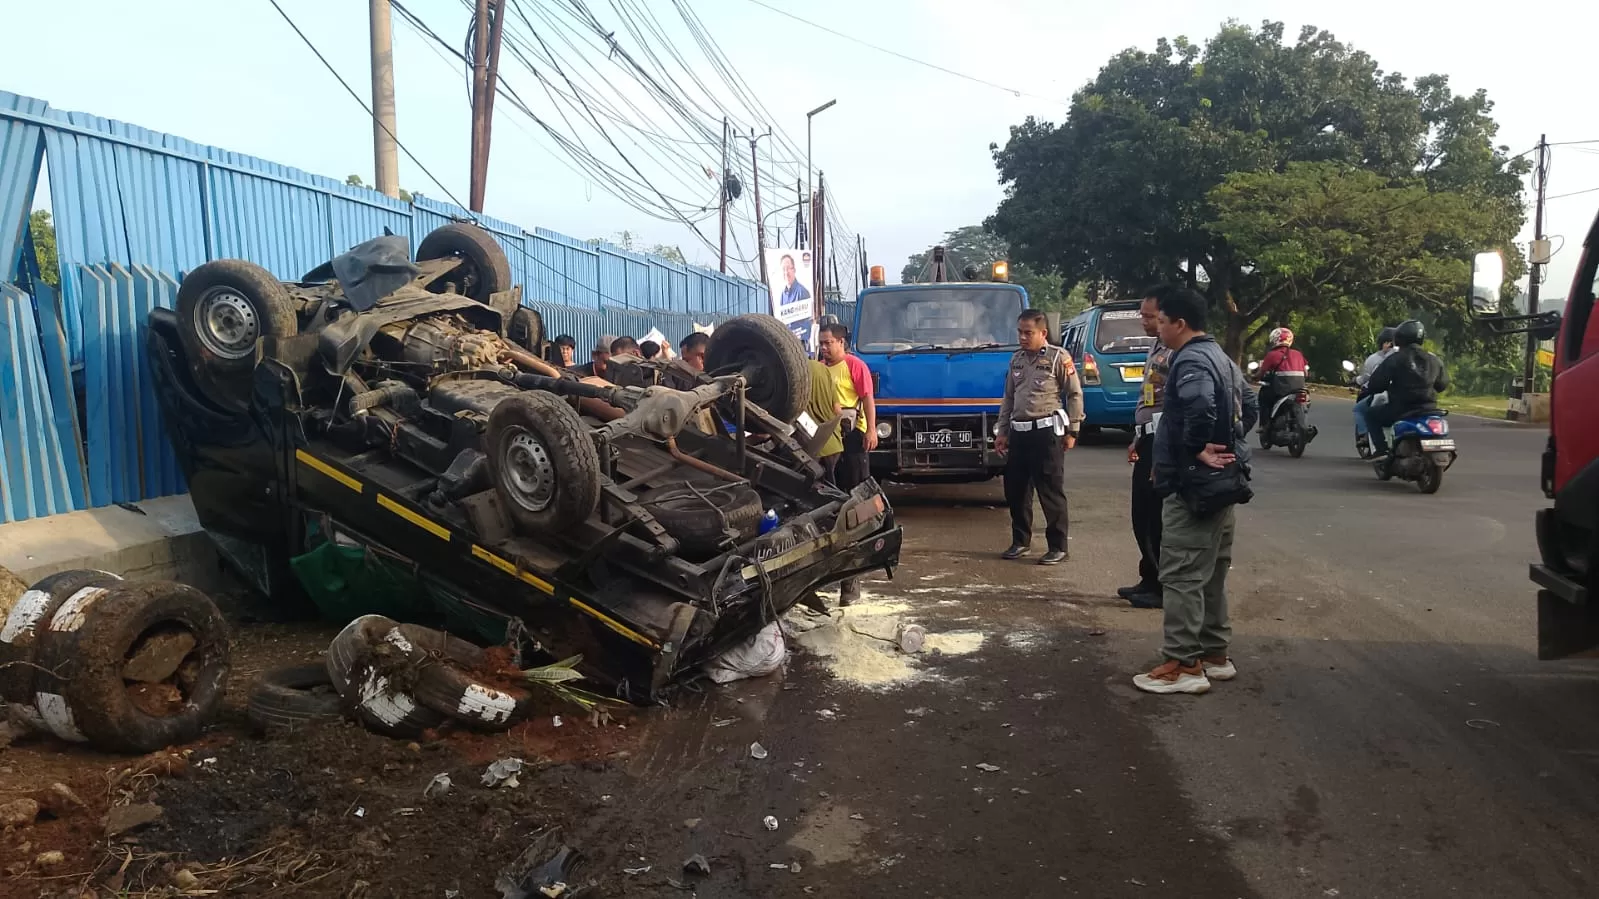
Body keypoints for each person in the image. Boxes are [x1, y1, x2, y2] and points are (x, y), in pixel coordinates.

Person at [1134, 285, 1258, 696]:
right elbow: (1251, 404)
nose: (1159, 329)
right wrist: (1227, 446)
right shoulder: (1221, 356)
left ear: (1179, 324)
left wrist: (1196, 450)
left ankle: (1183, 664)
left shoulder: (1188, 361)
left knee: (1182, 573)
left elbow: (1202, 405)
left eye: (1162, 322)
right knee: (1211, 573)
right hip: (1224, 484)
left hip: (1195, 488)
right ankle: (1214, 654)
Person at [995, 309, 1085, 566]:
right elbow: (1009, 398)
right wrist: (1002, 431)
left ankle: (1058, 546)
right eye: (1020, 332)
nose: (1023, 337)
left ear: (1043, 333)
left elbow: (1075, 394)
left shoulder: (1059, 358)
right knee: (1016, 491)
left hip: (1046, 433)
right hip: (1019, 434)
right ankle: (1020, 541)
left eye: (1028, 333)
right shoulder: (1016, 360)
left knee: (1050, 491)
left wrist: (1073, 430)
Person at [1120, 293, 1175, 609]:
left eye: (1149, 316)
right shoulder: (1156, 346)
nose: (1143, 321)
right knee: (1141, 515)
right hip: (1148, 438)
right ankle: (1149, 577)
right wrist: (1137, 437)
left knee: (1156, 517)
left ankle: (1160, 587)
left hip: (1163, 442)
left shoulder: (1179, 353)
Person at [818, 323, 877, 605]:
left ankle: (852, 583)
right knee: (828, 506)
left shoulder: (855, 366)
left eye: (828, 343)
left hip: (852, 439)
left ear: (841, 342)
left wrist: (871, 430)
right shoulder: (817, 369)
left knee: (855, 506)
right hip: (825, 442)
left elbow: (867, 399)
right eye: (821, 343)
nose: (824, 348)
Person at [1366, 320, 1449, 458]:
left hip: (1401, 409)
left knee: (1370, 415)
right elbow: (1442, 385)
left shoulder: (1395, 359)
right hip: (1429, 408)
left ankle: (1382, 450)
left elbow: (1376, 383)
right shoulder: (1434, 359)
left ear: (1399, 338)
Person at [1353, 326, 1397, 458]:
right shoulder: (1412, 356)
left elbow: (1369, 380)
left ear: (1386, 342)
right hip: (1410, 398)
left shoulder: (1376, 358)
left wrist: (1357, 380)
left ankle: (1368, 438)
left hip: (1384, 394)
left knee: (1360, 410)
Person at [1253, 327, 1308, 432]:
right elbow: (1306, 373)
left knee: (1264, 396)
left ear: (1274, 339)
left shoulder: (1272, 354)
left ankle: (1265, 425)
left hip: (1281, 389)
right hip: (1300, 387)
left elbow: (1261, 372)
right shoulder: (1298, 354)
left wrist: (1254, 378)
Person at [806, 358, 844, 483]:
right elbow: (838, 410)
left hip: (811, 445)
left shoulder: (794, 373)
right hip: (833, 441)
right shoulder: (822, 368)